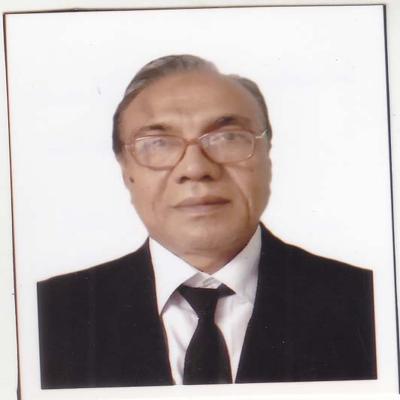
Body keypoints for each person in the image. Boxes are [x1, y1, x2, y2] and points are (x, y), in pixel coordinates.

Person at [37, 55, 376, 389]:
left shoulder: (369, 303)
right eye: (158, 143)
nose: (195, 168)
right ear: (126, 171)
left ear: (267, 157)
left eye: (227, 137)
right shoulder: (47, 316)